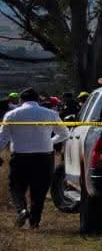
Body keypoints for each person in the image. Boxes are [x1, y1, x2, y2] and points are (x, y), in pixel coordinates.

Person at [0, 88, 69, 228]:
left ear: (20, 100)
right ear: (38, 100)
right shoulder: (51, 113)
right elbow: (64, 133)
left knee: (16, 187)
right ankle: (34, 222)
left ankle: (22, 210)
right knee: (40, 189)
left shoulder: (11, 115)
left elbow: (2, 139)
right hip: (44, 156)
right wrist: (50, 142)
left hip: (20, 156)